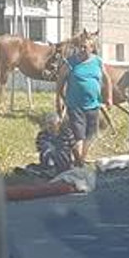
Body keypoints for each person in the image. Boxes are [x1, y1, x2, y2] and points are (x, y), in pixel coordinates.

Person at [56, 37, 109, 166]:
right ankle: (78, 161)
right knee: (79, 135)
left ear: (92, 48)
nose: (82, 49)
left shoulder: (98, 61)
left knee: (90, 134)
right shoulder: (71, 63)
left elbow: (107, 80)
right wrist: (59, 98)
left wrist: (109, 98)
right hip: (75, 105)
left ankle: (81, 159)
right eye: (80, 46)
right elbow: (60, 81)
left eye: (85, 47)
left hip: (93, 104)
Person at [34, 112, 76, 176]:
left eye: (51, 123)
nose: (49, 126)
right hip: (47, 162)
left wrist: (78, 161)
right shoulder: (42, 135)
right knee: (48, 148)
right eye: (47, 123)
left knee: (59, 150)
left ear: (59, 124)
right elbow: (40, 149)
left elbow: (74, 148)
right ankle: (51, 168)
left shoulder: (67, 133)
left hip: (64, 162)